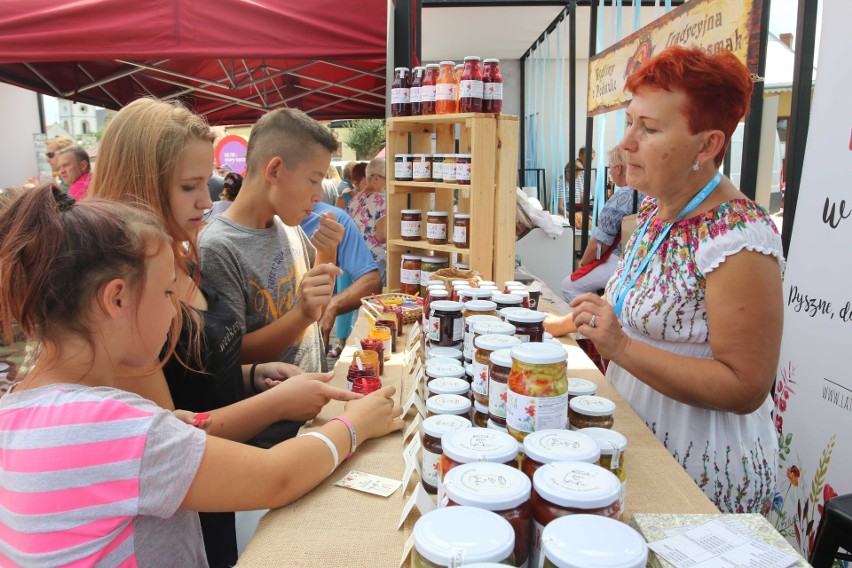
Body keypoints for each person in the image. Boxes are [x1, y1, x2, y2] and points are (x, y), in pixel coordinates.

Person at [0, 185, 403, 567]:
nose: (177, 311)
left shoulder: (16, 410)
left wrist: (165, 430)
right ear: (117, 298)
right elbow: (277, 477)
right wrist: (356, 424)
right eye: (166, 294)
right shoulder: (114, 429)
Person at [89, 98, 349, 566]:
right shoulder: (129, 296)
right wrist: (289, 406)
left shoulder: (182, 252)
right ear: (141, 187)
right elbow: (170, 433)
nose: (208, 201)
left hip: (218, 470)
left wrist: (249, 376)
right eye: (190, 186)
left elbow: (197, 366)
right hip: (192, 492)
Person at [564, 46, 783, 514]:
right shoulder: (653, 211)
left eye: (650, 128)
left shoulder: (739, 237)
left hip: (700, 466)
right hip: (636, 437)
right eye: (629, 122)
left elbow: (745, 386)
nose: (627, 143)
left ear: (707, 146)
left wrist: (621, 347)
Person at [199, 108, 345, 374]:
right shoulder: (218, 247)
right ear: (275, 170)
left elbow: (316, 308)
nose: (318, 195)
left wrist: (326, 251)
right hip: (270, 410)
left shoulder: (286, 226)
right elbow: (230, 355)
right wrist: (301, 314)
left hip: (310, 399)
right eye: (314, 180)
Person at [560, 146, 643, 303]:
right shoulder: (649, 192)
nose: (610, 173)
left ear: (619, 169)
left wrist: (583, 264)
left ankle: (594, 321)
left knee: (569, 286)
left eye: (611, 169)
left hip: (622, 260)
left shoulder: (621, 197)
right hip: (643, 260)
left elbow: (599, 243)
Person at [301, 201, 382, 358]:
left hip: (311, 356)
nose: (318, 194)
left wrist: (332, 305)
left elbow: (372, 281)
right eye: (312, 180)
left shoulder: (333, 219)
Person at [346, 157, 387, 284]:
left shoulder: (355, 199)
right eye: (386, 178)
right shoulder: (380, 200)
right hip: (375, 261)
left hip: (356, 260)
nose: (388, 182)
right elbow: (381, 235)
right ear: (375, 177)